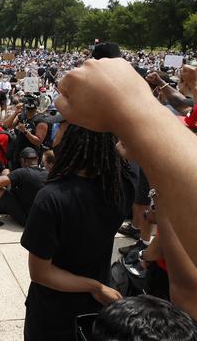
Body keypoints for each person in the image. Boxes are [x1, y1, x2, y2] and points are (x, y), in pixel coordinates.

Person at [21, 123, 134, 340]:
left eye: (62, 126)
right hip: (96, 309)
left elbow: (40, 273)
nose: (57, 131)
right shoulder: (121, 187)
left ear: (73, 140)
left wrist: (95, 287)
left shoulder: (51, 197)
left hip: (52, 311)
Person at [0, 147, 47, 226]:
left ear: (23, 160)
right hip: (41, 219)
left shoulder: (22, 172)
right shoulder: (47, 174)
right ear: (37, 159)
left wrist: (8, 175)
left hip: (27, 220)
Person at [3, 93, 49, 170]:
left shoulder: (40, 120)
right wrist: (16, 112)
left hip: (30, 157)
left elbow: (38, 141)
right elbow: (6, 126)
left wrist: (25, 132)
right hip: (18, 154)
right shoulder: (22, 116)